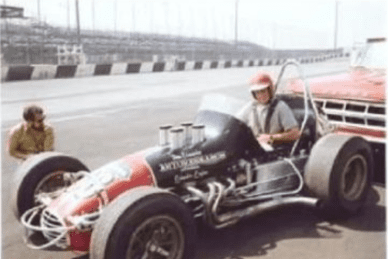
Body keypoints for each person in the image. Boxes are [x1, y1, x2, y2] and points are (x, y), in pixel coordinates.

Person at [239, 72, 301, 147]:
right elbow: (235, 122)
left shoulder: (280, 107)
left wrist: (271, 138)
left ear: (270, 90)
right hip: (255, 149)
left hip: (275, 151)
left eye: (263, 91)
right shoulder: (250, 107)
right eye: (257, 92)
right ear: (253, 94)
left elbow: (295, 134)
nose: (261, 95)